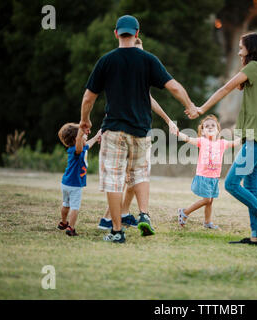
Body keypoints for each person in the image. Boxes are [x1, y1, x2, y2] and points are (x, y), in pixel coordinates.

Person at [79, 15, 198, 243]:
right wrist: (190, 106)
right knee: (140, 173)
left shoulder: (106, 61)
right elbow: (173, 86)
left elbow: (88, 97)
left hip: (114, 129)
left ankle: (116, 231)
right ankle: (144, 213)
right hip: (142, 130)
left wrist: (85, 120)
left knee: (114, 179)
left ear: (116, 33)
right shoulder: (148, 60)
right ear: (137, 33)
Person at [190, 32, 257, 245]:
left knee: (230, 183)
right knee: (251, 186)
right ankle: (256, 236)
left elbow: (225, 88)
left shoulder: (254, 67)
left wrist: (201, 108)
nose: (239, 50)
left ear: (252, 48)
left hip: (256, 136)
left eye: (242, 47)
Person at [97, 37, 179, 231]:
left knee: (133, 178)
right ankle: (110, 219)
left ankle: (119, 216)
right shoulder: (121, 70)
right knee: (128, 177)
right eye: (137, 50)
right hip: (121, 133)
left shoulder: (139, 72)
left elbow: (150, 99)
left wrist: (168, 121)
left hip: (135, 131)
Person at [176, 115, 241, 229]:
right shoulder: (202, 141)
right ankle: (184, 212)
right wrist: (178, 133)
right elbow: (187, 138)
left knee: (210, 202)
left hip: (214, 177)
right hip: (203, 176)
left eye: (212, 125)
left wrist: (247, 135)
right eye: (206, 126)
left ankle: (207, 222)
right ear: (203, 131)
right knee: (206, 200)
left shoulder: (222, 143)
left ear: (218, 130)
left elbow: (235, 143)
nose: (210, 128)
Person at [57, 123, 101, 236]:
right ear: (77, 139)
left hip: (66, 183)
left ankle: (63, 222)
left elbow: (88, 146)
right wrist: (81, 132)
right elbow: (81, 145)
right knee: (75, 207)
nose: (86, 134)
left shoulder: (76, 149)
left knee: (66, 204)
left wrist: (96, 137)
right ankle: (70, 228)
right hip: (74, 185)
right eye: (83, 134)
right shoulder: (77, 150)